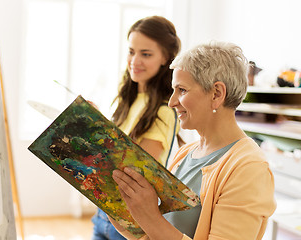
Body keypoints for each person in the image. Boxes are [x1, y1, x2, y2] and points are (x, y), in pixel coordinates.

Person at [110, 41, 277, 239]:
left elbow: (156, 224)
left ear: (216, 94)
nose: (172, 102)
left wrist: (150, 217)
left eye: (182, 90)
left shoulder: (249, 167)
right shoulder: (185, 154)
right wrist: (117, 208)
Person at [91, 15, 182, 240]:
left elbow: (133, 173)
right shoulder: (128, 100)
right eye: (131, 51)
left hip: (131, 223)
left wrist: (94, 130)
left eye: (146, 54)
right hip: (103, 214)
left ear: (166, 58)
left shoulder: (164, 110)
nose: (135, 60)